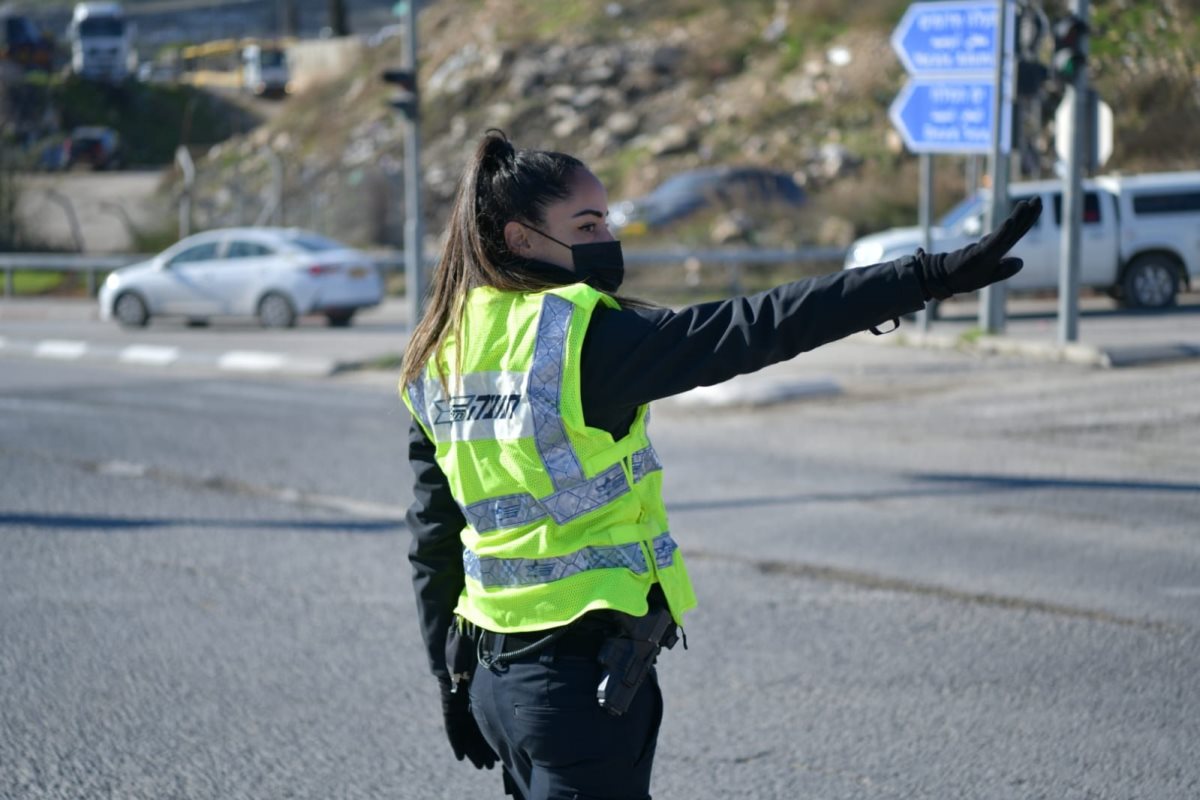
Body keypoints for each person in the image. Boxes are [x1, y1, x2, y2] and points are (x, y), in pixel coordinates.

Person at [400, 129, 1042, 800]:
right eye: (587, 225)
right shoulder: (577, 337)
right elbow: (757, 325)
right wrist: (924, 276)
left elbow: (433, 539)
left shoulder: (439, 346)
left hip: (494, 682)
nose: (606, 238)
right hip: (574, 687)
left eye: (607, 221)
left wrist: (452, 681)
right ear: (522, 238)